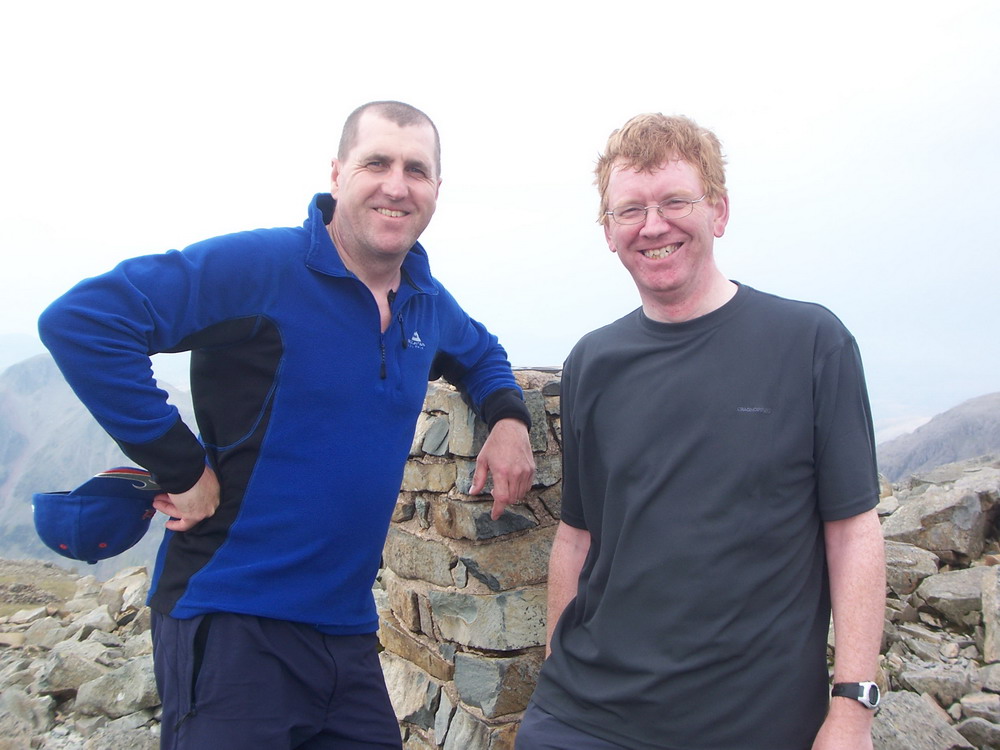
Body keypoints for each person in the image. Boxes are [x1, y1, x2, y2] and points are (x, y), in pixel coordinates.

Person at [38, 100, 535, 749]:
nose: (396, 183)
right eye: (376, 162)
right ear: (337, 174)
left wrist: (508, 419)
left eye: (416, 169)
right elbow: (84, 321)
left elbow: (480, 353)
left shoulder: (423, 300)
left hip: (349, 634)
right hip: (233, 621)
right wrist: (180, 464)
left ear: (436, 190)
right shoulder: (261, 269)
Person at [516, 114, 886, 750]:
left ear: (719, 211)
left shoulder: (809, 343)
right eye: (629, 209)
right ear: (608, 232)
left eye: (675, 201)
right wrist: (555, 665)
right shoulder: (592, 362)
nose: (653, 225)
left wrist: (851, 709)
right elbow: (577, 537)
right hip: (584, 718)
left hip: (752, 725)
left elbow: (853, 533)